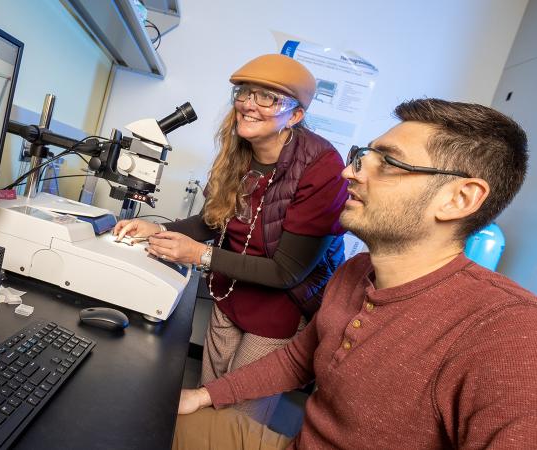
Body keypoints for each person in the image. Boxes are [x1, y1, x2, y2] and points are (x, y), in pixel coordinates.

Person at [173, 98, 537, 450]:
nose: (349, 172)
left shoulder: (507, 330)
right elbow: (299, 358)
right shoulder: (356, 271)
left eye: (389, 162)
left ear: (459, 199)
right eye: (363, 156)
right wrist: (204, 395)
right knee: (157, 418)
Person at [113, 54, 348, 422]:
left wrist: (200, 257)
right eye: (245, 93)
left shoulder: (323, 167)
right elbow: (213, 221)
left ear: (296, 115)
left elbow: (288, 271)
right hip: (229, 292)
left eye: (267, 97)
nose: (249, 105)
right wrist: (161, 230)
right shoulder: (237, 149)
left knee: (236, 418)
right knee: (204, 402)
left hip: (281, 307)